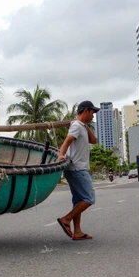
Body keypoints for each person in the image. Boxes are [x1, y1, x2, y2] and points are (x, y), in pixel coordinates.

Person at [57, 100, 99, 240]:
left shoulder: (81, 126)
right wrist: (61, 154)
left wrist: (85, 125)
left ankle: (78, 231)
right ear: (86, 111)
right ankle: (66, 219)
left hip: (75, 168)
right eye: (92, 112)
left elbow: (94, 141)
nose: (93, 116)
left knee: (79, 200)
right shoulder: (76, 126)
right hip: (77, 169)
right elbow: (67, 141)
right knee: (89, 198)